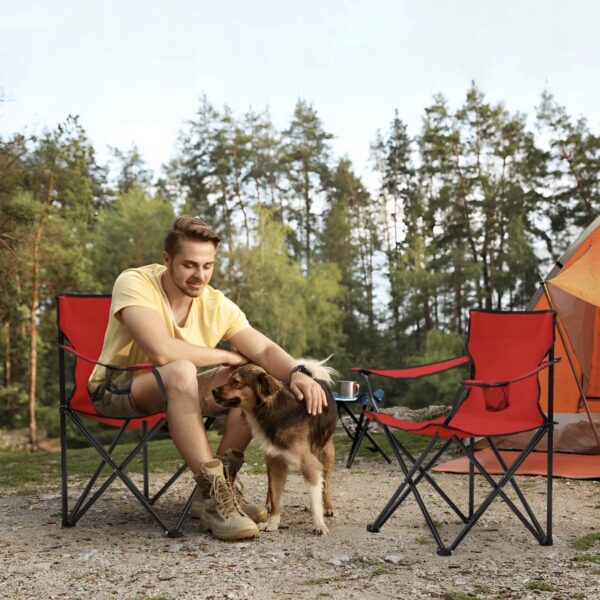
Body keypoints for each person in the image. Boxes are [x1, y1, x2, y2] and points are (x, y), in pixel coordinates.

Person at [88, 216, 327, 541]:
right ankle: (216, 494)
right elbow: (161, 351)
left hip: (178, 389)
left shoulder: (215, 303)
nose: (199, 275)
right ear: (167, 259)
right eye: (189, 265)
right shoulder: (135, 282)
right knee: (182, 369)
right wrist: (226, 356)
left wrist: (300, 373)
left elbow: (265, 349)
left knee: (251, 380)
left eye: (207, 266)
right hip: (118, 389)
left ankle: (215, 493)